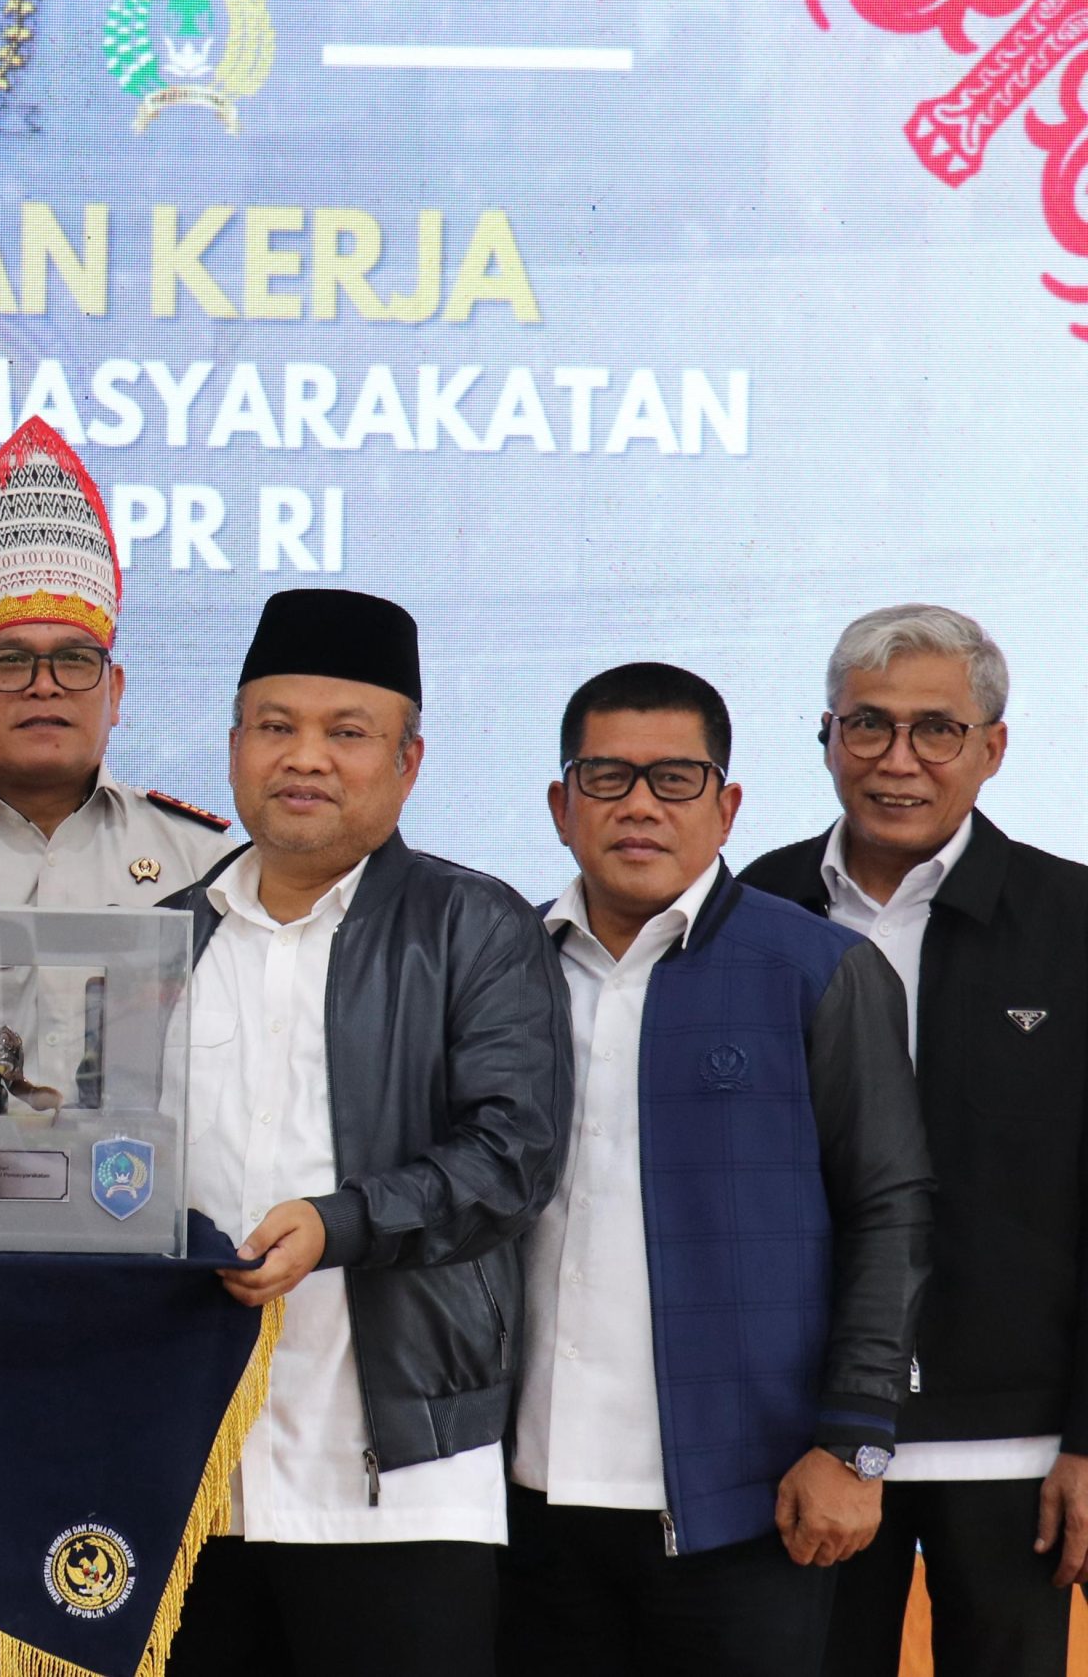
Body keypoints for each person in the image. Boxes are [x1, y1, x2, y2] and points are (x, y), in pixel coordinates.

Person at [159, 587, 570, 1677]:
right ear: (235, 746)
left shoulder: (474, 924)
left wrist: (335, 1223)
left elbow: (513, 1156)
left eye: (347, 733)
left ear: (408, 761)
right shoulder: (160, 940)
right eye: (275, 726)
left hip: (402, 1473)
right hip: (185, 1472)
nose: (305, 758)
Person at [504, 661, 934, 1676]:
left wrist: (853, 1442)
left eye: (675, 779)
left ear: (727, 804)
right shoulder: (500, 968)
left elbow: (890, 1210)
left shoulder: (817, 969)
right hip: (524, 1496)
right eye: (606, 778)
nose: (639, 805)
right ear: (562, 806)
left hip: (746, 1500)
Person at [739, 605, 1088, 1677]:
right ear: (826, 737)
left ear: (993, 746)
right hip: (802, 1437)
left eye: (936, 729)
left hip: (1020, 1447)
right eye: (867, 726)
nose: (897, 760)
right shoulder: (752, 909)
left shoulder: (1073, 920)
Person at [0, 417, 230, 908]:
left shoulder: (201, 863)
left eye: (74, 660)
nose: (44, 686)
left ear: (115, 691)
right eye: (11, 661)